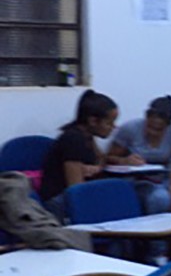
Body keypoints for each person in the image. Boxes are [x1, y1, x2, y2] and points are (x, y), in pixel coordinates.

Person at [107, 95, 171, 263]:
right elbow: (108, 157)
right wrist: (125, 160)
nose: (153, 131)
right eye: (150, 126)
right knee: (160, 198)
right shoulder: (130, 129)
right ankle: (157, 253)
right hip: (140, 180)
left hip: (166, 177)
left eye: (159, 129)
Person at [40, 90, 118, 221]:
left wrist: (97, 168)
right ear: (93, 121)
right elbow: (76, 188)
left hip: (76, 193)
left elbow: (101, 159)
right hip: (59, 200)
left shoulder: (88, 136)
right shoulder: (73, 139)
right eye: (109, 123)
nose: (114, 127)